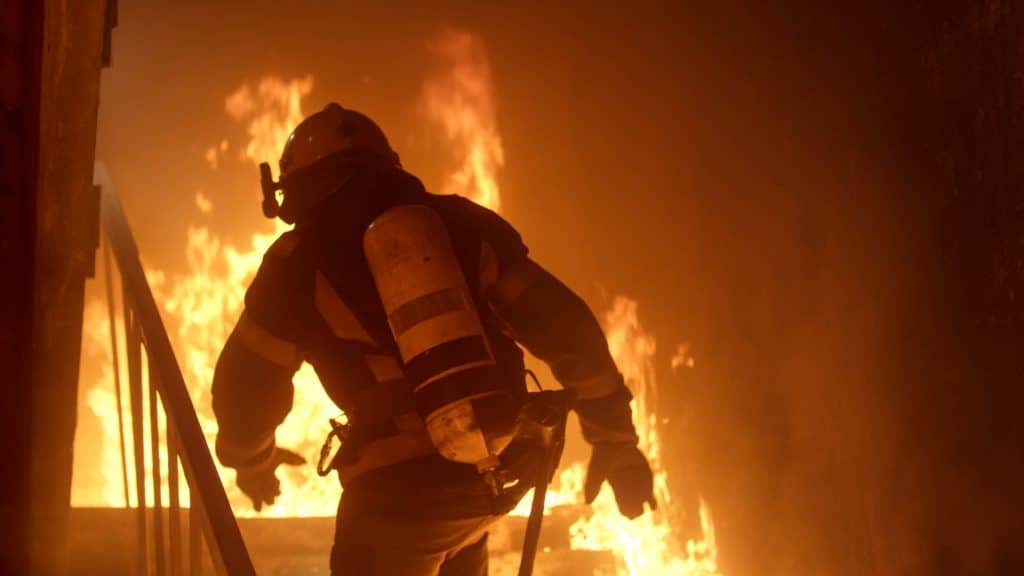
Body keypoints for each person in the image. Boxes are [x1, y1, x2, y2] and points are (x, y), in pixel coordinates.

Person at [212, 102, 656, 575]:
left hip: (397, 504)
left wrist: (251, 459)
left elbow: (247, 384)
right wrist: (615, 437)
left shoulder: (296, 263)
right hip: (498, 471)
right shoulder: (462, 223)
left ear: (296, 189)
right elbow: (567, 328)